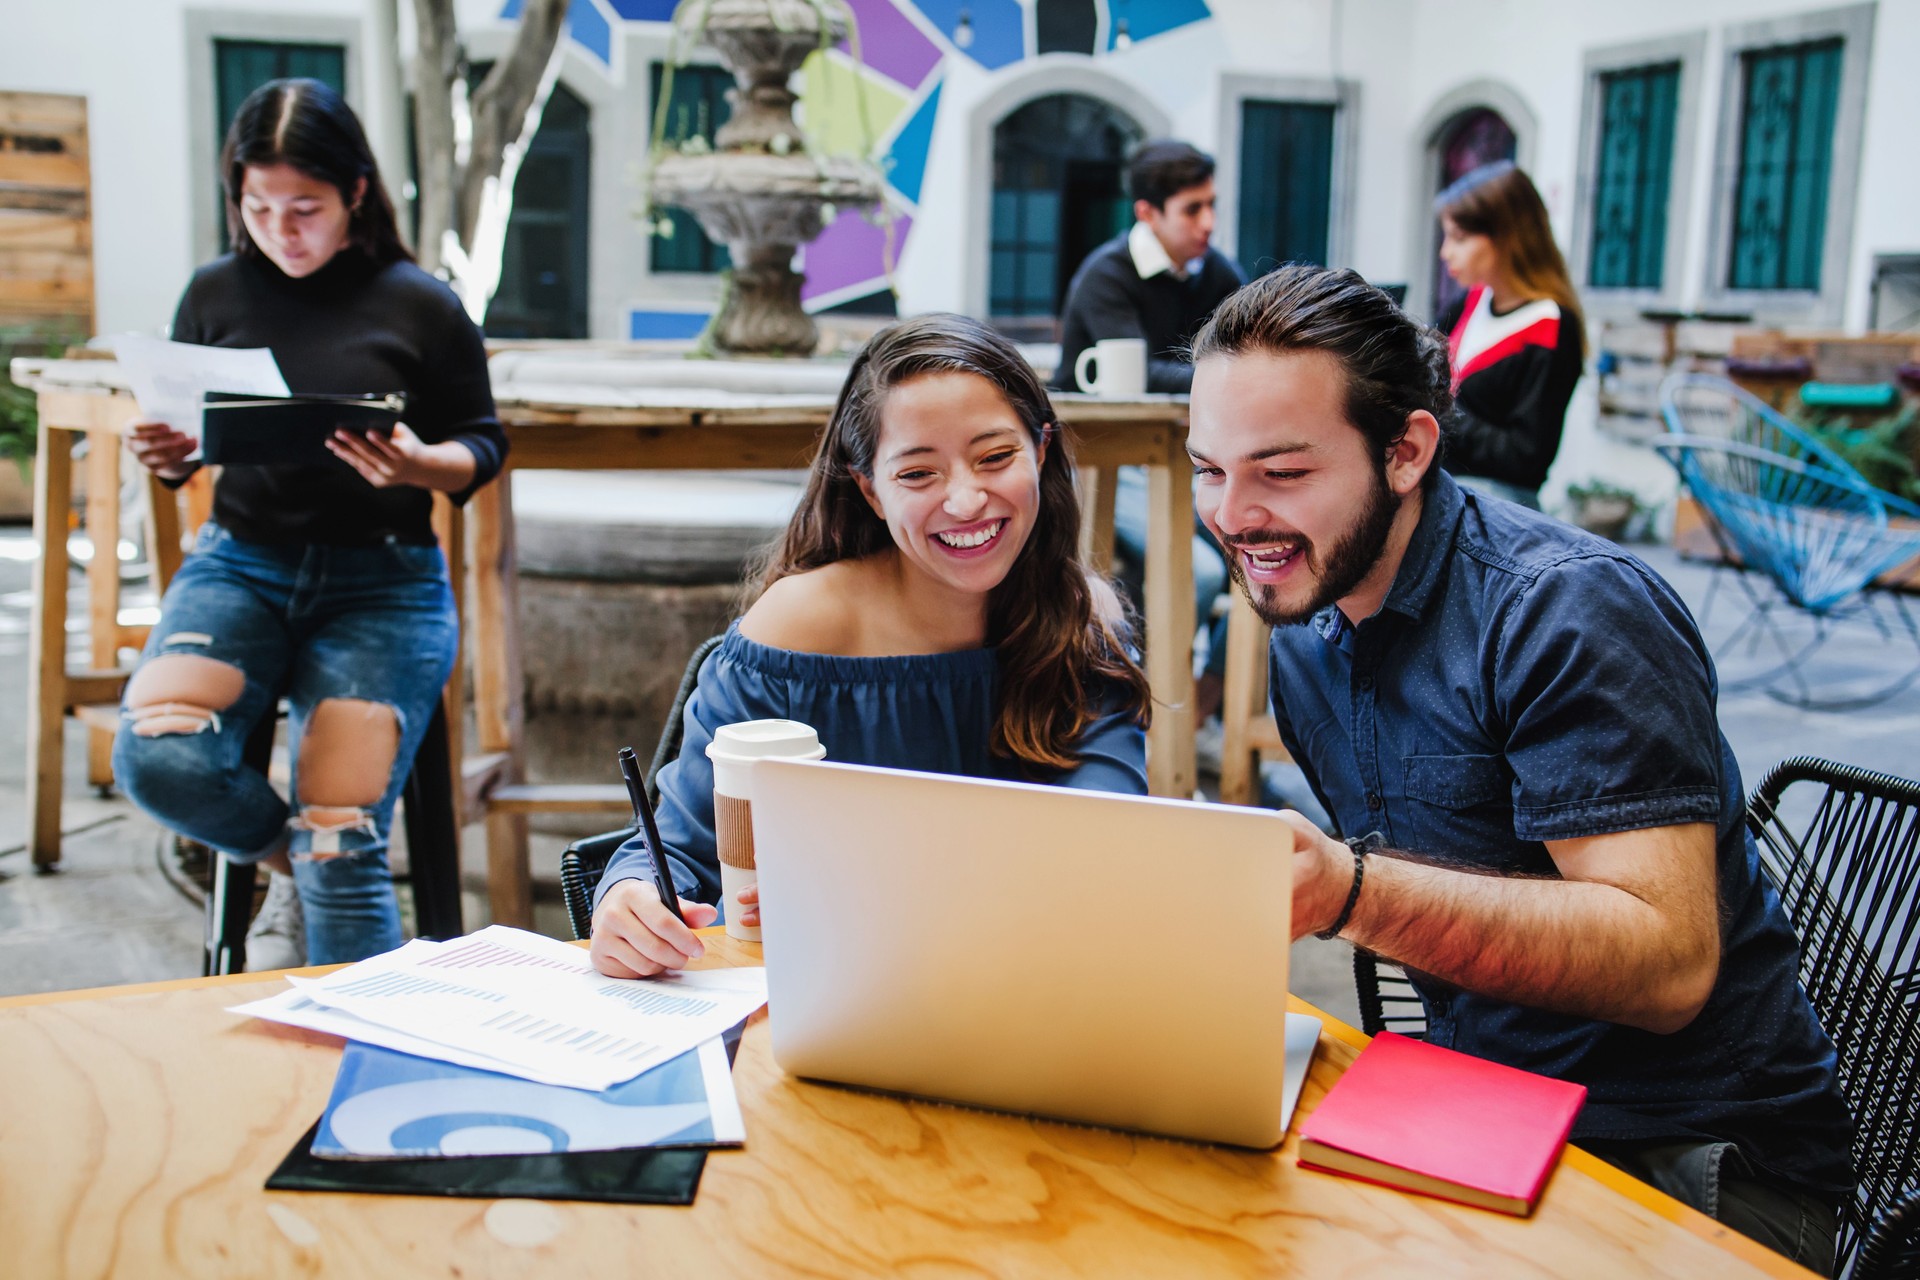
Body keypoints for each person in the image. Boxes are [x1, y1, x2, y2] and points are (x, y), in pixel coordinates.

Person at [1185, 265, 1851, 1274]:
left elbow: (1667, 964)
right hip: (1485, 1111)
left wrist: (1348, 890)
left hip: (1694, 1158)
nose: (1232, 517)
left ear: (1406, 450)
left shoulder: (1566, 610)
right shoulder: (1308, 636)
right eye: (1207, 469)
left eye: (1281, 472)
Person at [589, 314, 1152, 981]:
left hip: (1030, 994)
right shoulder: (798, 628)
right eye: (918, 473)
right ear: (870, 491)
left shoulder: (1082, 622)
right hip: (818, 1007)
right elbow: (678, 850)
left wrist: (876, 898)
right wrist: (625, 903)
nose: (968, 499)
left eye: (996, 457)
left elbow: (1107, 842)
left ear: (1042, 450)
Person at [114, 79, 507, 968]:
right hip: (240, 567)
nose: (280, 232)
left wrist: (417, 463)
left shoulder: (422, 304)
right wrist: (172, 453)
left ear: (355, 194)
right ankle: (298, 864)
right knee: (159, 761)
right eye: (257, 207)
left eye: (305, 208)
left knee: (345, 830)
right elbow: (195, 447)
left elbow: (483, 446)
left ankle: (360, 1085)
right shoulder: (214, 291)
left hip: (386, 584)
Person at [1051, 139, 1245, 716]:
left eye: (1212, 205)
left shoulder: (1217, 273)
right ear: (1147, 213)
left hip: (1183, 461)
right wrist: (1219, 371)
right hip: (1103, 466)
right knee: (1205, 569)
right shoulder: (1106, 275)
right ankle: (1139, 715)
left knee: (1283, 546)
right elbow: (1135, 375)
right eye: (1193, 209)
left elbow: (1254, 353)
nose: (1209, 222)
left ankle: (1199, 710)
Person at [1433, 161, 1585, 509]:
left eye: (1459, 238)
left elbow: (1526, 457)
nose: (1446, 252)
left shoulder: (1551, 326)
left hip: (1495, 508)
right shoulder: (1470, 301)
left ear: (1506, 236)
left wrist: (1438, 411)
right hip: (1443, 489)